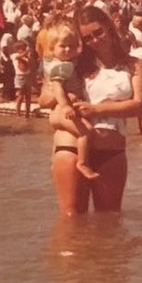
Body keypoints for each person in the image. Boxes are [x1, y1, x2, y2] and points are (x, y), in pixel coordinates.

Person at [39, 6, 142, 216]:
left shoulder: (133, 64)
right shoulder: (74, 63)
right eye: (87, 38)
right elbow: (44, 98)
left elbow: (139, 105)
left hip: (111, 150)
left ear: (109, 26)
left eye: (99, 32)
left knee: (110, 220)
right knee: (71, 221)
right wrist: (63, 100)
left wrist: (96, 109)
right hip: (71, 145)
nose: (95, 41)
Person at [42, 17, 99, 179]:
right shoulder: (61, 67)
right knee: (86, 132)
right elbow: (58, 88)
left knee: (58, 137)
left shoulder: (63, 62)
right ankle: (82, 162)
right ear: (53, 48)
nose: (67, 50)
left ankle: (54, 161)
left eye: (72, 46)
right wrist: (66, 105)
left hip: (60, 110)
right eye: (63, 46)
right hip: (62, 108)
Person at [10, 39, 32, 117]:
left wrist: (28, 56)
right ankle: (18, 113)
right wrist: (26, 52)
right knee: (20, 96)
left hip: (27, 76)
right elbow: (18, 57)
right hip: (20, 77)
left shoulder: (26, 56)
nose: (23, 50)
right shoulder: (14, 55)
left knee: (28, 96)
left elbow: (30, 64)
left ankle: (27, 113)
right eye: (22, 48)